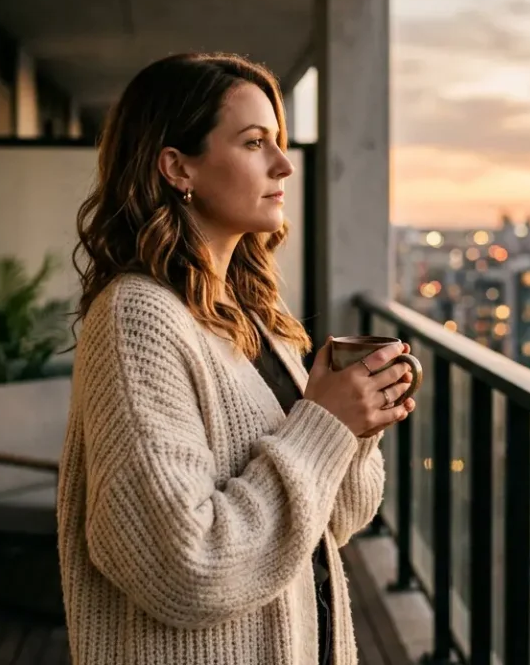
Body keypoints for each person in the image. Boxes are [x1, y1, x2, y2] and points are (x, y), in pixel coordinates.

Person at [58, 52, 416, 665]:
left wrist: (356, 429)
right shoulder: (138, 317)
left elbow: (338, 522)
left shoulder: (249, 313)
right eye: (255, 143)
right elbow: (181, 568)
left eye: (278, 142)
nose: (283, 165)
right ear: (176, 166)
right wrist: (323, 426)